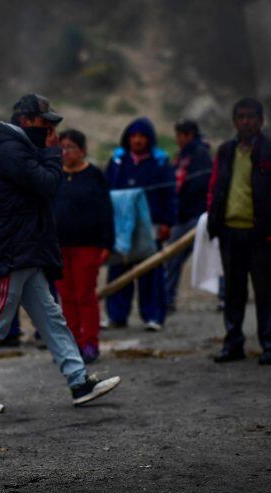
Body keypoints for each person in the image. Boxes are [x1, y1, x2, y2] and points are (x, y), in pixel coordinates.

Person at [0, 94, 121, 413]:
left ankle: (79, 381)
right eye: (47, 123)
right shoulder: (11, 150)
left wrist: (46, 151)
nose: (51, 131)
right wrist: (53, 152)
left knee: (52, 320)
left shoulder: (20, 148)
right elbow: (47, 184)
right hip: (13, 251)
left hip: (26, 250)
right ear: (28, 120)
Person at [207, 98, 271, 365]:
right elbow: (215, 187)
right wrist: (214, 216)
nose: (245, 121)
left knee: (265, 291)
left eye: (251, 117)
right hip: (230, 233)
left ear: (261, 121)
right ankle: (233, 344)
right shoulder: (225, 152)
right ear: (234, 122)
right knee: (234, 292)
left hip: (261, 234)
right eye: (240, 117)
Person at [103, 118, 176, 331]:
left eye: (142, 136)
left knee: (151, 273)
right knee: (119, 270)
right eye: (134, 136)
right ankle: (117, 315)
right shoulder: (118, 162)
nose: (137, 140)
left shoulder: (160, 162)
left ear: (149, 139)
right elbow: (105, 192)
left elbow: (170, 194)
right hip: (121, 227)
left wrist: (167, 222)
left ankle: (153, 316)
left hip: (150, 225)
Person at [54, 129, 114, 363]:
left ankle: (90, 343)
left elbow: (106, 211)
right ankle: (72, 344)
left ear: (83, 151)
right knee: (65, 296)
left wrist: (107, 242)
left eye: (71, 148)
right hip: (59, 246)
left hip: (88, 245)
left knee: (85, 294)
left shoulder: (94, 175)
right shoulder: (56, 176)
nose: (66, 152)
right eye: (62, 148)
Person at [164, 119, 213, 312]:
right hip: (181, 216)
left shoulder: (200, 155)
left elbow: (200, 184)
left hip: (197, 215)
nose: (177, 140)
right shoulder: (181, 156)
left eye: (180, 136)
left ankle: (225, 297)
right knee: (172, 258)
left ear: (189, 135)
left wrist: (182, 200)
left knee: (211, 255)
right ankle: (168, 298)